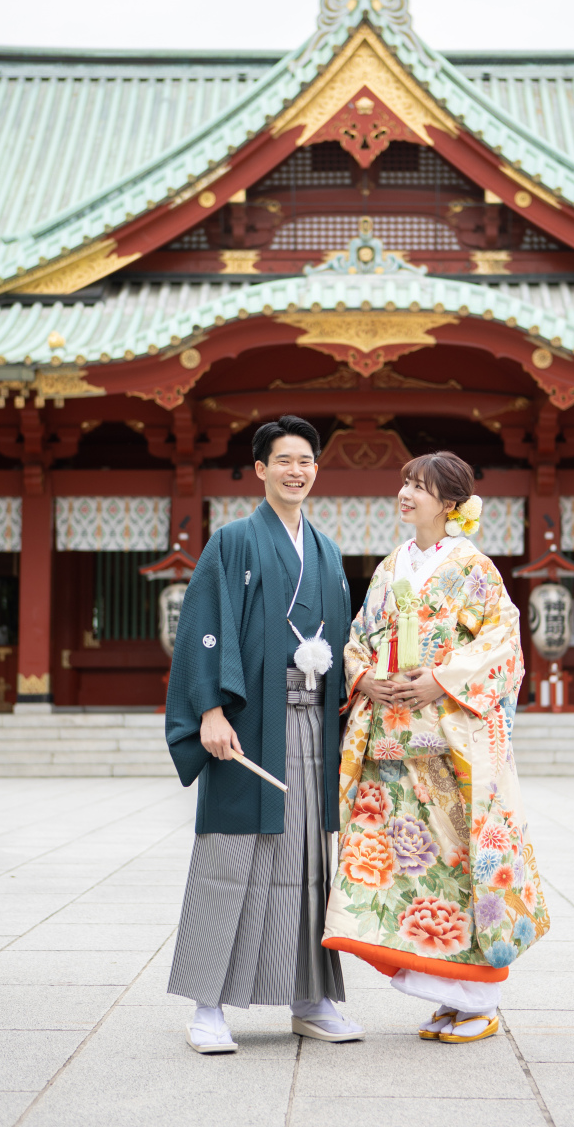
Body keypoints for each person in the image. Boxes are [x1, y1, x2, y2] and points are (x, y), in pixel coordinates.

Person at [322, 452, 550, 1044]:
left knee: (457, 857)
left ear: (449, 503)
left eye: (419, 487)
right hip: (392, 736)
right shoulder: (391, 564)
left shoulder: (474, 567)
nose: (406, 493)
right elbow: (360, 634)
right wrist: (363, 677)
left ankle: (479, 999)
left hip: (450, 738)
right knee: (406, 857)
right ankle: (448, 993)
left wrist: (441, 680)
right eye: (403, 482)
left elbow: (504, 643)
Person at [165, 415, 364, 1052]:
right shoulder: (232, 542)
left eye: (306, 460)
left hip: (312, 722)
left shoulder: (328, 551)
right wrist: (209, 712)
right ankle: (207, 1008)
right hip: (249, 722)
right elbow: (202, 628)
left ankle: (309, 998)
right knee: (229, 857)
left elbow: (346, 643)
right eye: (283, 460)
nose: (296, 470)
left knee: (308, 861)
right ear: (260, 470)